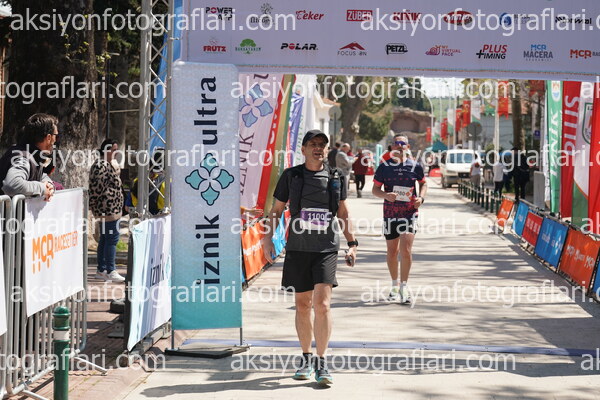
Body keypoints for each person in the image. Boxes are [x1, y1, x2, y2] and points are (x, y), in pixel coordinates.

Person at [263, 129, 357, 386]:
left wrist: (352, 243)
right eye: (313, 144)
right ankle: (306, 358)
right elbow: (277, 210)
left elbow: (343, 212)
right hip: (298, 248)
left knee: (322, 305)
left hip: (326, 248)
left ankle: (322, 361)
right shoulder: (291, 176)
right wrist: (267, 238)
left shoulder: (336, 177)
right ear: (303, 149)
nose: (318, 148)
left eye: (322, 145)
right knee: (303, 305)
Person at [372, 134, 427, 304]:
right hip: (390, 214)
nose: (400, 146)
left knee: (406, 250)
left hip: (409, 213)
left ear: (408, 147)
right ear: (392, 147)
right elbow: (375, 189)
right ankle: (394, 285)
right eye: (397, 143)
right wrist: (385, 195)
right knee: (392, 252)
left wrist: (421, 198)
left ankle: (404, 287)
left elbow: (423, 183)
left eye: (403, 143)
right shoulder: (384, 167)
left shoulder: (415, 166)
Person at [89, 139, 125, 283]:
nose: (116, 152)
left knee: (105, 239)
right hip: (107, 209)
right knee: (112, 239)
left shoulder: (109, 164)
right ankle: (110, 270)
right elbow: (97, 188)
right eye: (113, 150)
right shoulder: (101, 165)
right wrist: (94, 205)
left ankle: (102, 269)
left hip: (111, 208)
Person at [0, 113, 58, 200]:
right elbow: (11, 185)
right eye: (56, 135)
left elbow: (37, 174)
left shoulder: (31, 154)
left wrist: (48, 184)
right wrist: (42, 188)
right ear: (49, 137)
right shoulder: (23, 158)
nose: (56, 140)